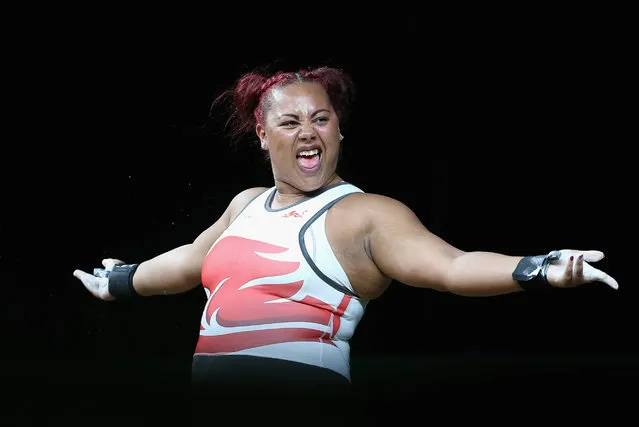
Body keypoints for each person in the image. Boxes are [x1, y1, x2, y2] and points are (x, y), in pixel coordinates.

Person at [73, 65, 618, 423]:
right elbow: (190, 262)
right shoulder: (245, 205)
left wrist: (538, 268)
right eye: (289, 121)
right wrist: (122, 281)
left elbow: (451, 266)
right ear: (263, 136)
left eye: (321, 119)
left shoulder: (362, 214)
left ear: (337, 131)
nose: (307, 131)